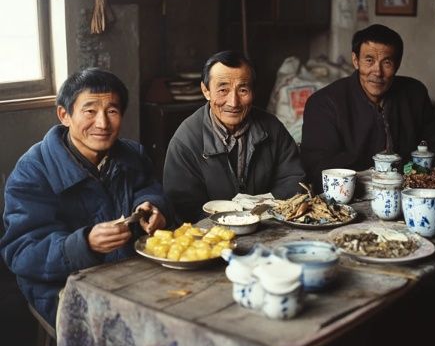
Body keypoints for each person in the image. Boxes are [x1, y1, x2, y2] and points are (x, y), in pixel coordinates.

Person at [0, 68, 173, 327]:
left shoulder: (131, 153)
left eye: (112, 111)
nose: (102, 123)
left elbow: (149, 189)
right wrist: (85, 244)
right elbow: (21, 253)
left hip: (130, 273)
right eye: (90, 111)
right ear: (64, 115)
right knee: (132, 333)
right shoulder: (32, 172)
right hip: (62, 286)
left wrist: (151, 207)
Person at [301, 24, 435, 193]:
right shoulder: (324, 103)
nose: (377, 72)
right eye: (369, 60)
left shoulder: (414, 94)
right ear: (355, 61)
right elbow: (318, 167)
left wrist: (415, 170)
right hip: (350, 198)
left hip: (410, 192)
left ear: (397, 64)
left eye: (387, 62)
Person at [163, 51, 306, 223]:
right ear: (206, 90)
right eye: (223, 90)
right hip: (211, 237)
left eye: (243, 90)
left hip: (269, 227)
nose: (233, 102)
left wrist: (262, 216)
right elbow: (183, 207)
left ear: (253, 91)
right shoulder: (185, 141)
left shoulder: (272, 128)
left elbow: (294, 180)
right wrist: (234, 222)